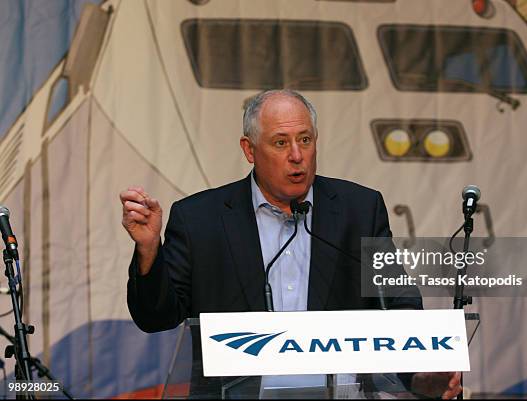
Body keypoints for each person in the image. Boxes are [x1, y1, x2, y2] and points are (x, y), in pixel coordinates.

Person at [120, 89, 462, 399]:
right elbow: (157, 318)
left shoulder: (359, 209)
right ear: (249, 149)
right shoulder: (200, 219)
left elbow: (397, 305)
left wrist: (420, 374)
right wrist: (150, 249)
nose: (297, 155)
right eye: (281, 143)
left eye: (305, 139)